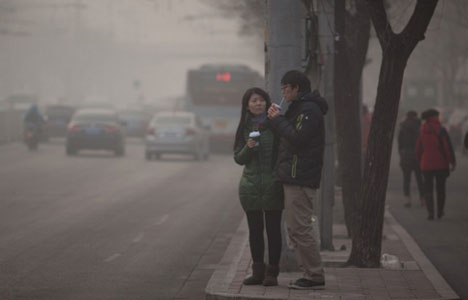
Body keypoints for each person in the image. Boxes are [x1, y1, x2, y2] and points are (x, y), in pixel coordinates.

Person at [267, 70, 328, 290]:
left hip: (300, 177)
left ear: (296, 89)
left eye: (286, 87)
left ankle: (314, 275)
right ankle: (308, 274)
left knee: (300, 229)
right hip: (293, 176)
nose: (282, 91)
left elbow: (298, 138)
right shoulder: (299, 108)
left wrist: (279, 120)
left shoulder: (309, 110)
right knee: (294, 229)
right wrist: (277, 120)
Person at [233, 87, 284, 286]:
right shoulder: (243, 128)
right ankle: (257, 272)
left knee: (273, 231)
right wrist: (249, 147)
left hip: (273, 184)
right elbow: (238, 158)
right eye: (254, 101)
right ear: (247, 105)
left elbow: (283, 152)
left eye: (261, 100)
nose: (258, 104)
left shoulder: (275, 125)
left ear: (267, 103)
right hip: (250, 186)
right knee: (255, 231)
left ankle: (272, 273)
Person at [416, 108, 456, 220]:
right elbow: (447, 147)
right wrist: (452, 161)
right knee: (441, 189)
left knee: (428, 189)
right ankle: (440, 211)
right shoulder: (441, 129)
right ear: (434, 117)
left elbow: (418, 149)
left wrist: (420, 160)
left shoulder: (422, 130)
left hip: (426, 164)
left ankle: (430, 213)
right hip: (441, 164)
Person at [397, 111, 424, 208]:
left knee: (406, 179)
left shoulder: (402, 127)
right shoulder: (420, 127)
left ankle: (407, 199)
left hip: (406, 155)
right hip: (418, 156)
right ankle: (422, 199)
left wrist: (401, 154)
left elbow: (400, 144)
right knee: (420, 179)